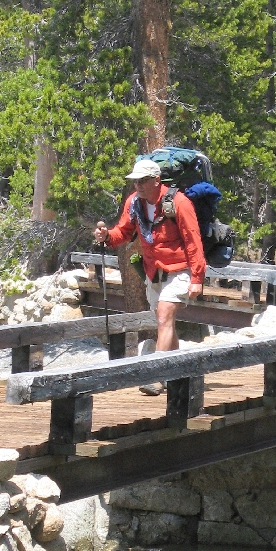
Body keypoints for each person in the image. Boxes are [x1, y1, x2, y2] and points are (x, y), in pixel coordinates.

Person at [94, 158, 206, 394]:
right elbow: (124, 232)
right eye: (135, 182)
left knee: (164, 316)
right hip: (153, 271)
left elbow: (193, 241)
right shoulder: (134, 202)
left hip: (180, 269)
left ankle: (155, 376)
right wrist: (107, 237)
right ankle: (177, 374)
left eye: (143, 181)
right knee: (165, 321)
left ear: (157, 180)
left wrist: (197, 278)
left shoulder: (179, 203)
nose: (138, 186)